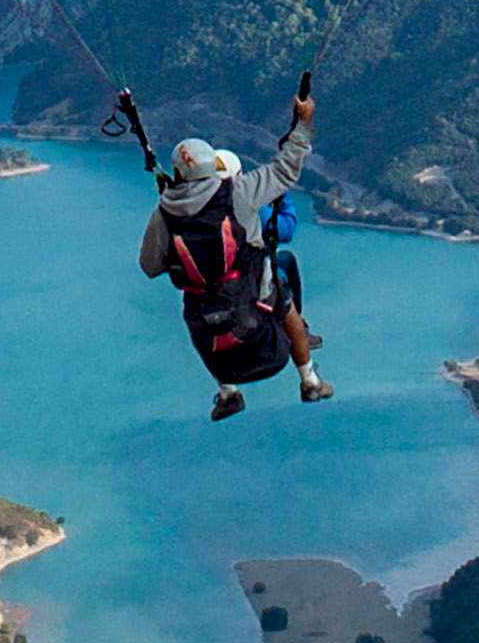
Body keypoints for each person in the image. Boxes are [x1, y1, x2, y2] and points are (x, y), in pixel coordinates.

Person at [141, 81, 334, 419]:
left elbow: (150, 266)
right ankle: (310, 380)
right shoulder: (238, 193)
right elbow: (285, 170)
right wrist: (303, 123)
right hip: (253, 298)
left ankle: (228, 394)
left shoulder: (164, 216)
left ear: (177, 173)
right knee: (283, 299)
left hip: (209, 323)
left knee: (195, 313)